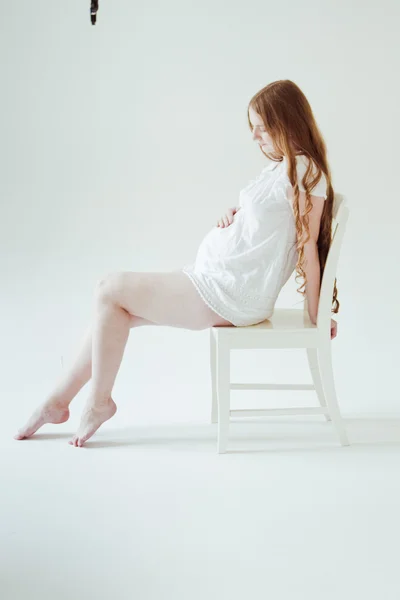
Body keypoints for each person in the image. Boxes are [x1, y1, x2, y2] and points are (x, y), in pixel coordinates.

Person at [14, 79, 339, 447]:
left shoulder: (307, 172)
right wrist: (237, 217)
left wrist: (320, 314)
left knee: (109, 288)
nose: (255, 137)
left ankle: (97, 403)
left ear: (287, 122)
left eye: (261, 127)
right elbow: (270, 224)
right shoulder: (282, 167)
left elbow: (308, 247)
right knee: (114, 310)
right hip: (216, 279)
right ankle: (58, 402)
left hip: (230, 293)